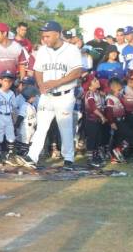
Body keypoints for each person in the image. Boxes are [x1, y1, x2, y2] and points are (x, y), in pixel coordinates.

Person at [16, 21, 83, 170]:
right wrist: (41, 85)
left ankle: (69, 159)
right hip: (47, 95)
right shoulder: (42, 51)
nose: (44, 39)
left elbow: (77, 72)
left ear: (57, 34)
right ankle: (32, 157)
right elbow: (38, 70)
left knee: (65, 127)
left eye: (47, 35)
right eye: (43, 36)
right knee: (41, 126)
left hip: (65, 95)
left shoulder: (71, 50)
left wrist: (56, 82)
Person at [0, 70, 19, 165]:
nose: (8, 83)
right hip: (0, 116)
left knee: (11, 136)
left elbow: (14, 107)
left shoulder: (12, 93)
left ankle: (10, 155)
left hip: (8, 116)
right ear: (1, 81)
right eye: (6, 80)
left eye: (10, 81)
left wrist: (14, 119)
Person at [14, 84, 38, 159]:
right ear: (30, 97)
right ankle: (22, 155)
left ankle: (22, 154)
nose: (35, 98)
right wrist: (16, 125)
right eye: (34, 96)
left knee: (29, 141)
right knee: (25, 141)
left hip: (31, 128)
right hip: (26, 127)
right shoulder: (25, 106)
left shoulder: (32, 106)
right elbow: (20, 116)